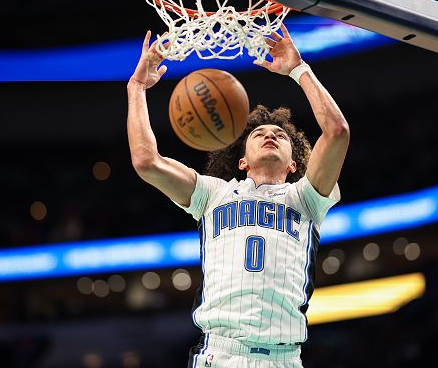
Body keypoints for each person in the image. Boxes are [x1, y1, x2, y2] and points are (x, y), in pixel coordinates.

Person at [126, 24, 350, 368]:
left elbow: (336, 132)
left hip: (285, 358)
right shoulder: (212, 194)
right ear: (242, 160)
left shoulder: (306, 198)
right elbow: (146, 161)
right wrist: (137, 87)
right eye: (259, 133)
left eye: (280, 135)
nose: (270, 135)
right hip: (220, 354)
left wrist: (298, 69)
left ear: (294, 164)